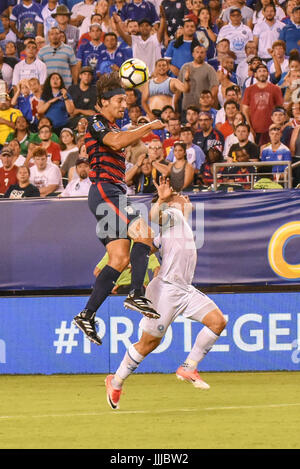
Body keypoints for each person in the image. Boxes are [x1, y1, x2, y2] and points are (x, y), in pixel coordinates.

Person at [105, 176, 227, 409]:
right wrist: (161, 200)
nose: (186, 197)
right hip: (166, 291)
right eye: (181, 196)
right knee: (149, 343)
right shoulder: (174, 216)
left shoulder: (178, 227)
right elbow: (155, 217)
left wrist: (141, 254)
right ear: (173, 205)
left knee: (218, 322)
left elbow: (152, 245)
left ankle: (189, 367)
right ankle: (116, 380)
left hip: (185, 290)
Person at [72, 71, 166, 346]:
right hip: (105, 192)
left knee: (119, 259)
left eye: (125, 101)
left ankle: (87, 314)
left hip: (111, 192)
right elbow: (115, 142)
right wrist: (148, 127)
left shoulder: (112, 127)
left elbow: (121, 142)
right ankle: (137, 293)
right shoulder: (96, 122)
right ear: (103, 101)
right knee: (145, 235)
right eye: (120, 101)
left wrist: (139, 133)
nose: (124, 105)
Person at [94, 240, 160, 294]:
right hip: (140, 288)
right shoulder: (144, 248)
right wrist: (151, 287)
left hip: (120, 289)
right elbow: (157, 268)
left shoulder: (114, 251)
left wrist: (110, 286)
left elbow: (97, 272)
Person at [242, 63, 284, 145]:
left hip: (271, 129)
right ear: (255, 74)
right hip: (254, 129)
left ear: (268, 73)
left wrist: (276, 127)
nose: (262, 73)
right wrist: (249, 127)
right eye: (259, 71)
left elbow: (280, 109)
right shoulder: (249, 90)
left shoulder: (275, 89)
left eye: (264, 71)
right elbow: (245, 109)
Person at [112, 11, 165, 76]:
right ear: (139, 28)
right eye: (142, 26)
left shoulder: (156, 38)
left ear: (151, 28)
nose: (144, 27)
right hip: (139, 77)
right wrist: (117, 23)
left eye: (147, 25)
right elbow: (122, 34)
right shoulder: (134, 39)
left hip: (155, 76)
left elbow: (162, 30)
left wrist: (163, 18)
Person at [178, 43, 219, 113]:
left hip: (202, 109)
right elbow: (179, 86)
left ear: (205, 55)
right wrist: (176, 104)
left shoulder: (209, 69)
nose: (199, 55)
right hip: (186, 107)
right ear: (193, 54)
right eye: (197, 52)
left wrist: (207, 101)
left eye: (202, 53)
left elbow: (215, 87)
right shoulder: (185, 67)